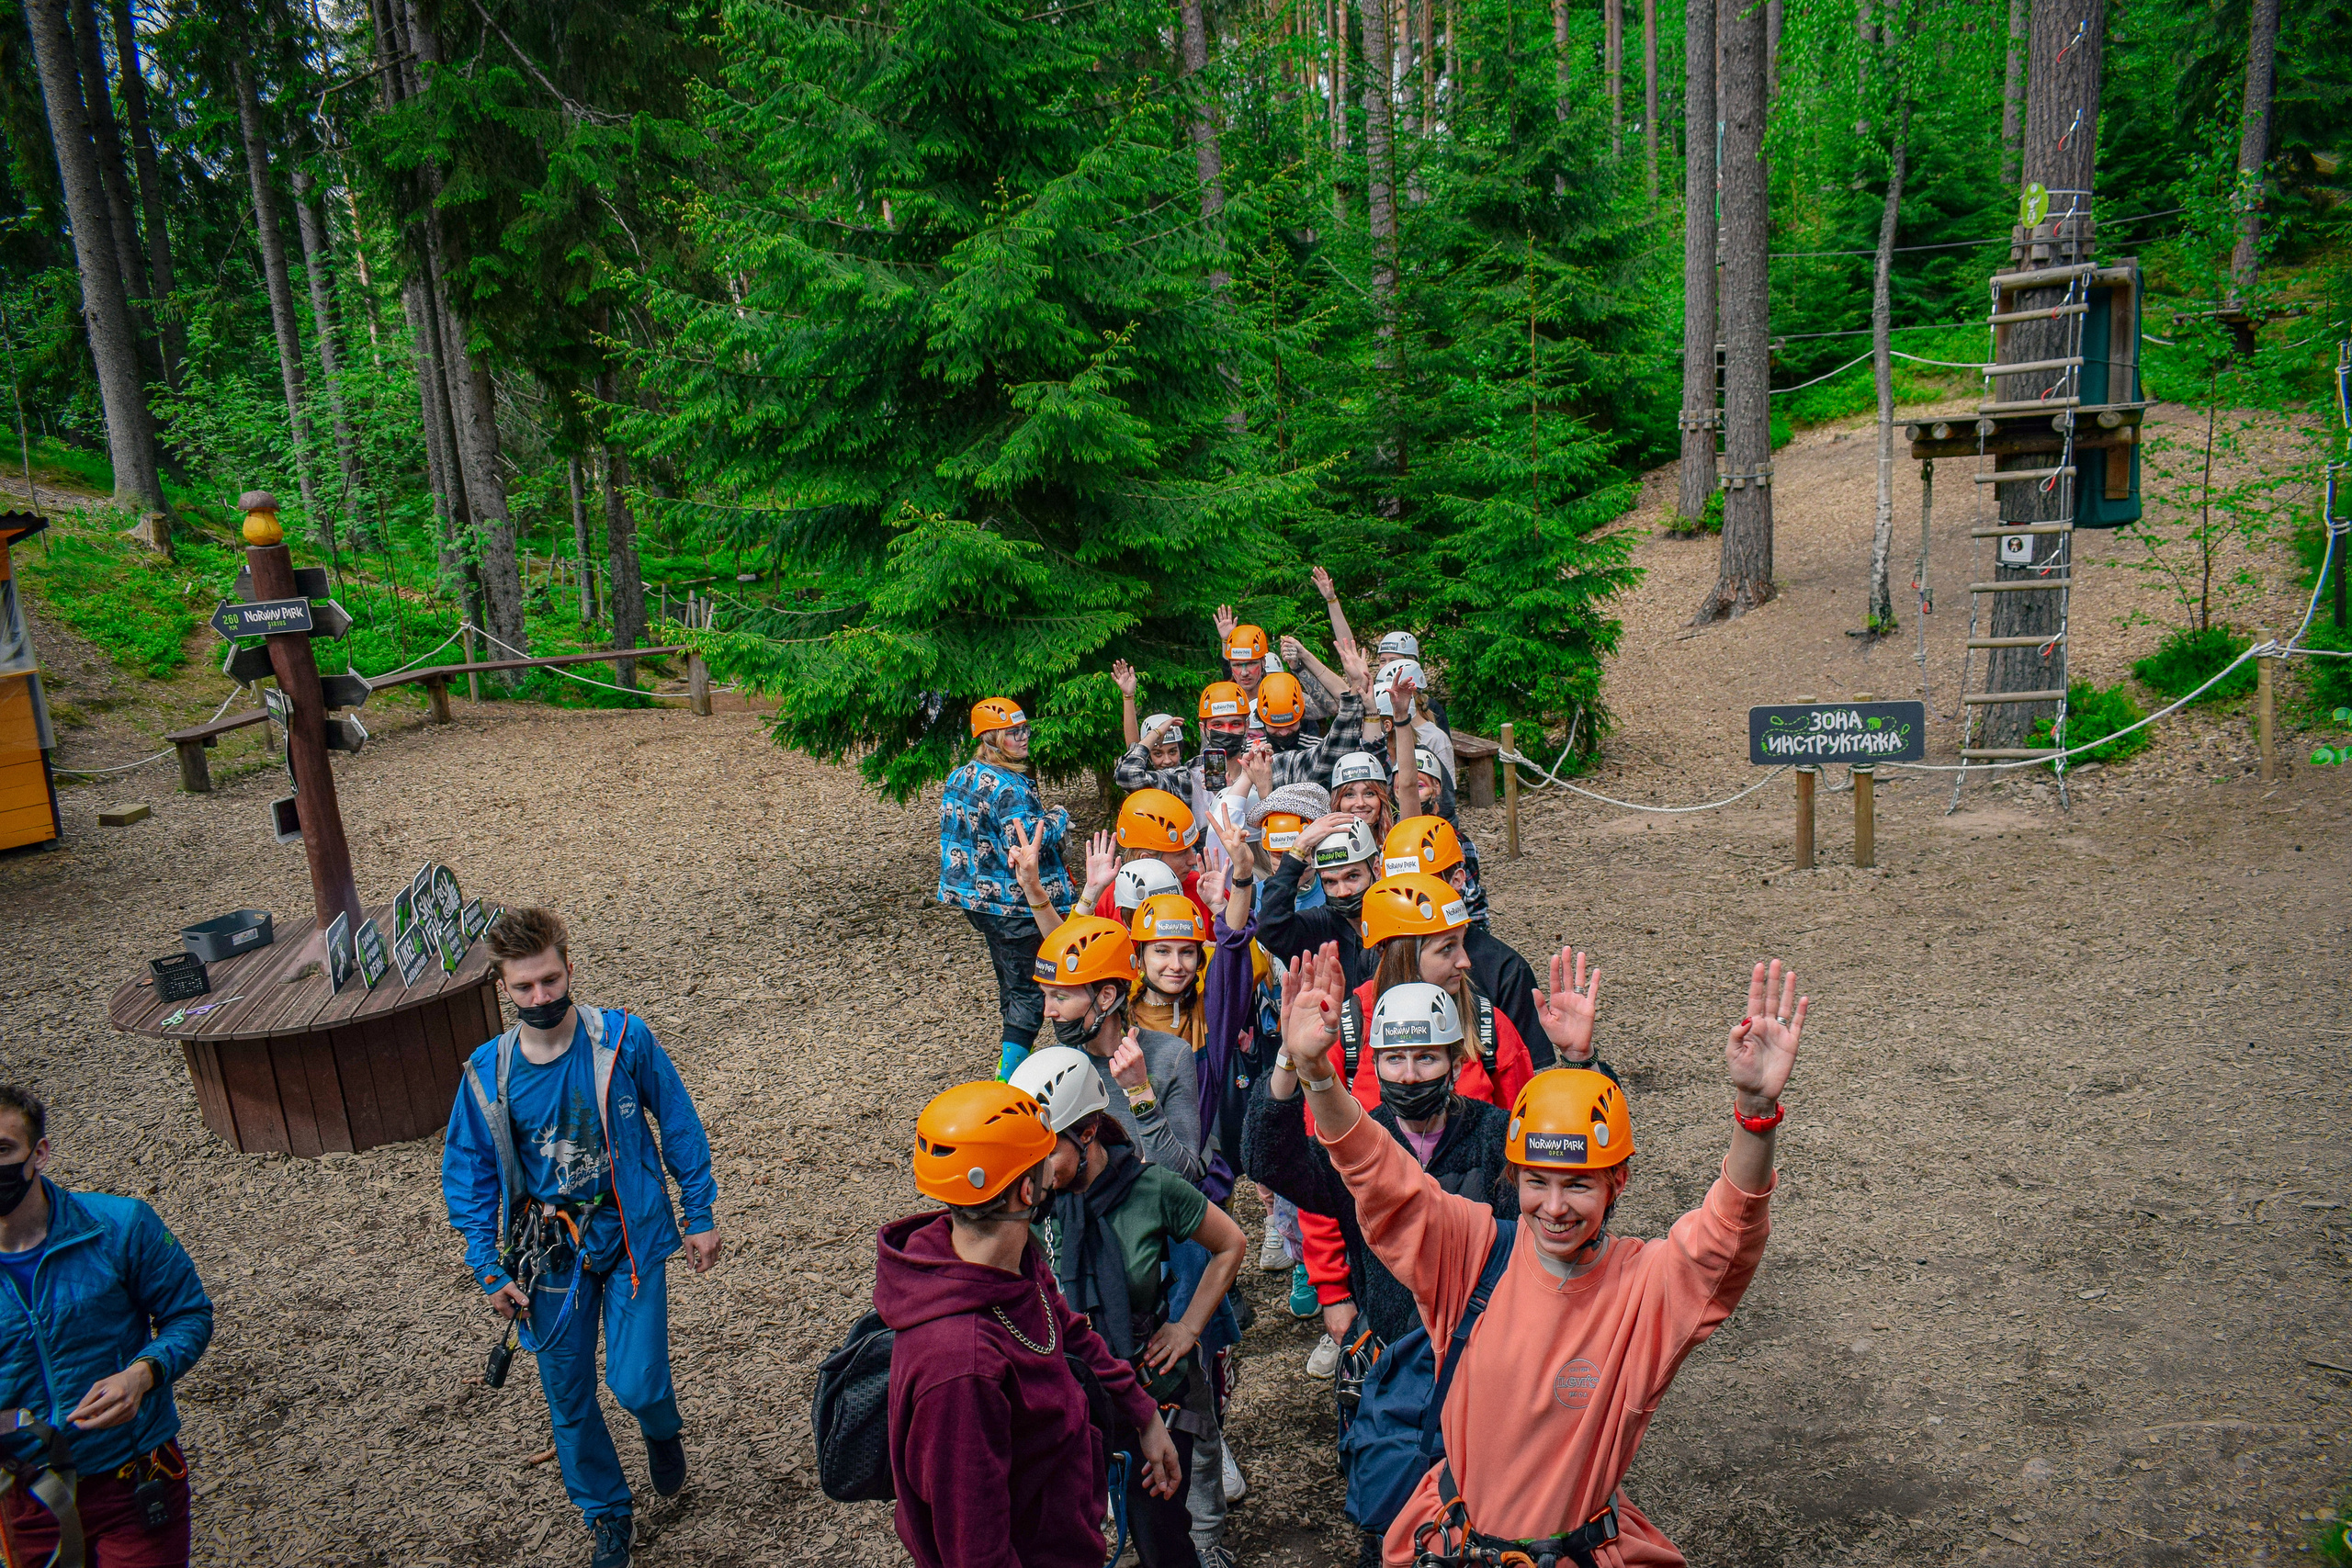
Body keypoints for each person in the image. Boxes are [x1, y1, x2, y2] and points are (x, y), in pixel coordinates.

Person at [1273, 944, 1805, 1568]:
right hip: (1456, 1547)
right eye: (1536, 1181)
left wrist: (1755, 1115)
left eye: (1577, 1184)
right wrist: (1316, 1073)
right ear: (1515, 1178)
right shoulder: (1473, 1254)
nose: (1554, 1207)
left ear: (1617, 1183)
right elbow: (1379, 1170)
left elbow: (1725, 1237)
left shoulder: (1643, 1290)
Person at [443, 908, 722, 1568]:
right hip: (549, 1257)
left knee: (638, 1383)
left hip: (630, 1236)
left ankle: (661, 1428)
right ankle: (607, 1514)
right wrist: (487, 1265)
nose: (540, 996)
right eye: (523, 987)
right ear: (503, 988)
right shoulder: (489, 1072)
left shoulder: (623, 1039)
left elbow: (677, 1118)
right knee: (567, 1397)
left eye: (550, 979)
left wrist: (699, 1211)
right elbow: (469, 1172)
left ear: (570, 968)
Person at [1239, 986, 1516, 1568]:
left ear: (1456, 1061)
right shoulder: (1358, 1143)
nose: (1410, 1075)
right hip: (1391, 1372)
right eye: (1395, 1059)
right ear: (1375, 1063)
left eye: (1426, 1058)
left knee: (1490, 1528)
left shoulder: (1496, 1137)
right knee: (1392, 1529)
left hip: (1486, 1369)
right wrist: (1289, 1059)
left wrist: (1581, 1063)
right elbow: (1268, 1158)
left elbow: (1570, 1195)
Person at [878, 1080, 1183, 1568]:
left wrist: (1143, 1413)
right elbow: (976, 1552)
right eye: (1044, 1159)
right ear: (1026, 1190)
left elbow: (1068, 1330)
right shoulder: (961, 1369)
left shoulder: (1009, 1259)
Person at [1013, 1051, 1248, 1568]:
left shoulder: (1151, 1190)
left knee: (1160, 1536)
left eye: (1045, 1151)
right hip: (1074, 1399)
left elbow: (1230, 1244)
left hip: (1152, 1392)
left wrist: (1188, 1327)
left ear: (1088, 1132)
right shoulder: (1032, 1206)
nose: (1033, 1168)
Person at [0, 1083, 212, 1568]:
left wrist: (142, 1374)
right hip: (23, 1494)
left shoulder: (121, 1226)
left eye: (3, 1149)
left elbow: (188, 1314)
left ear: (39, 1154)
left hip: (133, 1477)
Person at [940, 697, 1076, 1079]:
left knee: (1013, 987)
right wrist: (1058, 816)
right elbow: (1027, 845)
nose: (1024, 737)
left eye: (1025, 729)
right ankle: (1011, 1085)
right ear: (990, 738)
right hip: (1015, 907)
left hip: (978, 903)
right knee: (1042, 992)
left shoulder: (959, 776)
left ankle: (1013, 1067)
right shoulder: (1008, 787)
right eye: (1014, 732)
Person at [1033, 916, 1204, 1182]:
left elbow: (1181, 1174)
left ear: (1106, 997)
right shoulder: (1054, 1068)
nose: (1047, 1011)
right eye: (1045, 995)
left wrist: (1140, 1090)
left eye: (1060, 997)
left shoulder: (1171, 1056)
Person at [1383, 817, 1536, 1059]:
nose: (1408, 897)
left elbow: (1526, 1068)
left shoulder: (1505, 969)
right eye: (1396, 887)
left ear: (1457, 880)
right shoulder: (1377, 956)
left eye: (1424, 883)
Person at [1257, 812, 1383, 985]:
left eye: (1352, 877)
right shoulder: (1318, 927)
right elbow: (1270, 927)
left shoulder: (1399, 921)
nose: (1342, 892)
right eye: (1330, 882)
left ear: (1376, 870)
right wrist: (1298, 848)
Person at [1114, 658, 1190, 768]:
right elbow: (1134, 753)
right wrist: (1128, 697)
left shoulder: (1191, 774)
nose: (1167, 761)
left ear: (1180, 751)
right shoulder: (1142, 776)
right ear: (1148, 756)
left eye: (1173, 752)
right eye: (1158, 754)